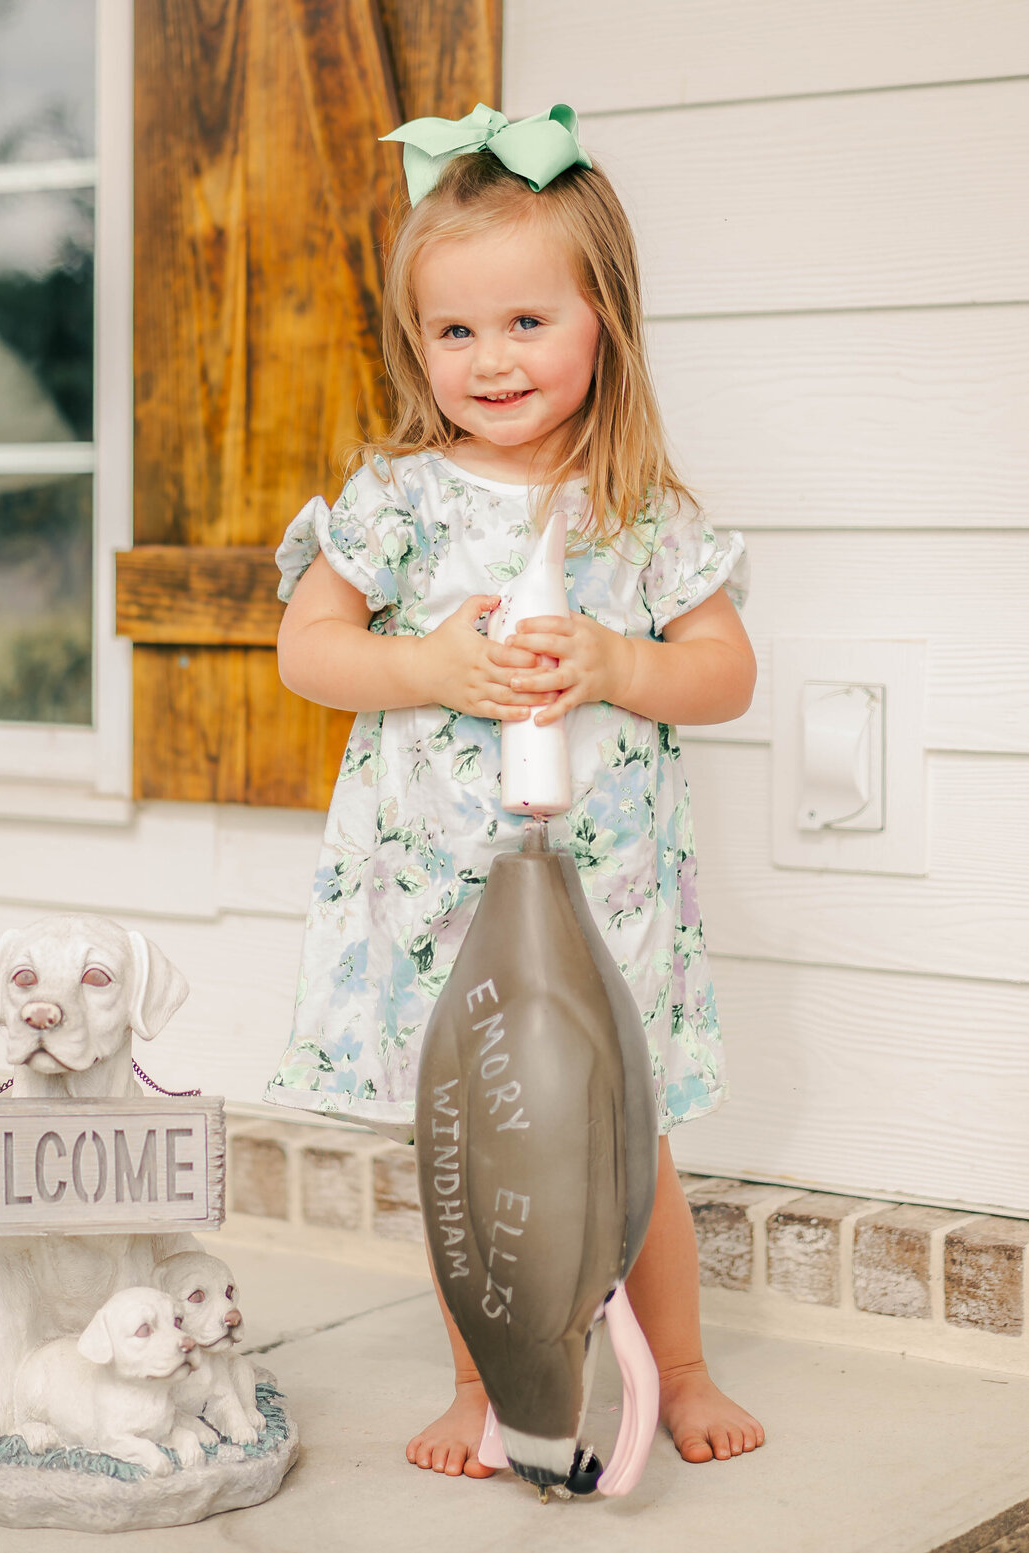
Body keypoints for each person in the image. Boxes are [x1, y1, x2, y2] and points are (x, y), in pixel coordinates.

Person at [265, 104, 763, 1476]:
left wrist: (616, 660)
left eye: (529, 322)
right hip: (443, 887)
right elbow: (308, 650)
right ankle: (486, 1384)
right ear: (415, 341)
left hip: (607, 888)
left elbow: (725, 674)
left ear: (606, 316)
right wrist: (424, 661)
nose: (490, 359)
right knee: (472, 1141)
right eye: (455, 331)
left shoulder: (637, 503)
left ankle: (687, 1366)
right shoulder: (399, 500)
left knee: (628, 1130)